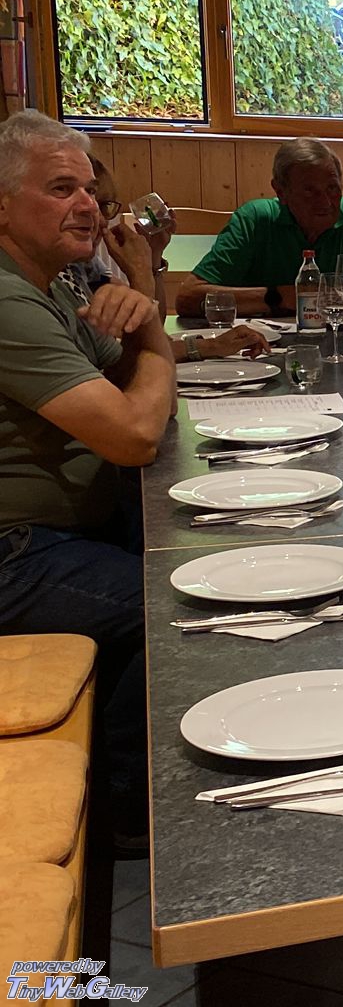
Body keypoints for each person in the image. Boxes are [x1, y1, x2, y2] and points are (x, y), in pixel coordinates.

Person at [0, 111, 178, 845]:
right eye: (60, 189)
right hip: (17, 554)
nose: (87, 206)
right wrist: (151, 321)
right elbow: (137, 432)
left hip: (66, 530)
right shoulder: (7, 301)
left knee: (200, 549)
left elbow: (137, 386)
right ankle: (128, 816)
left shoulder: (48, 285)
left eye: (90, 192)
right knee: (173, 607)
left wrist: (142, 302)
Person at [179, 137, 343, 319]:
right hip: (260, 351)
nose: (325, 202)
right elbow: (188, 298)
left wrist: (339, 299)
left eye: (332, 188)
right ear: (281, 191)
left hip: (339, 347)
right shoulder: (255, 219)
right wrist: (279, 296)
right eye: (309, 191)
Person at [69, 158, 269, 363]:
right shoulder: (59, 278)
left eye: (104, 207)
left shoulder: (86, 266)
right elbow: (135, 354)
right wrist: (140, 271)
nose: (101, 220)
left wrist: (154, 255)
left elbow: (154, 327)